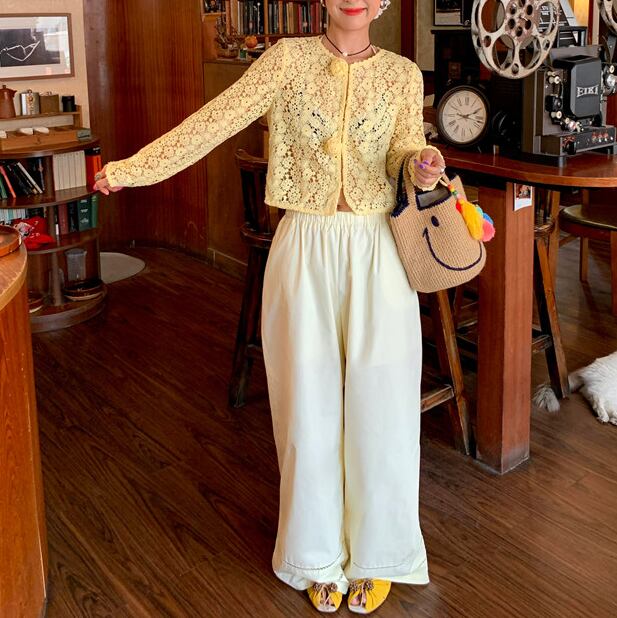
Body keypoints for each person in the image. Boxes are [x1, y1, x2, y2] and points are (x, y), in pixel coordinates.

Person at [94, 0, 446, 613]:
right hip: (303, 243)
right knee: (305, 406)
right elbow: (215, 119)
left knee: (385, 406)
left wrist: (420, 166)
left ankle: (379, 555)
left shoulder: (402, 74)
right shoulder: (285, 61)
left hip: (378, 250)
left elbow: (401, 153)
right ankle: (314, 555)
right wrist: (137, 169)